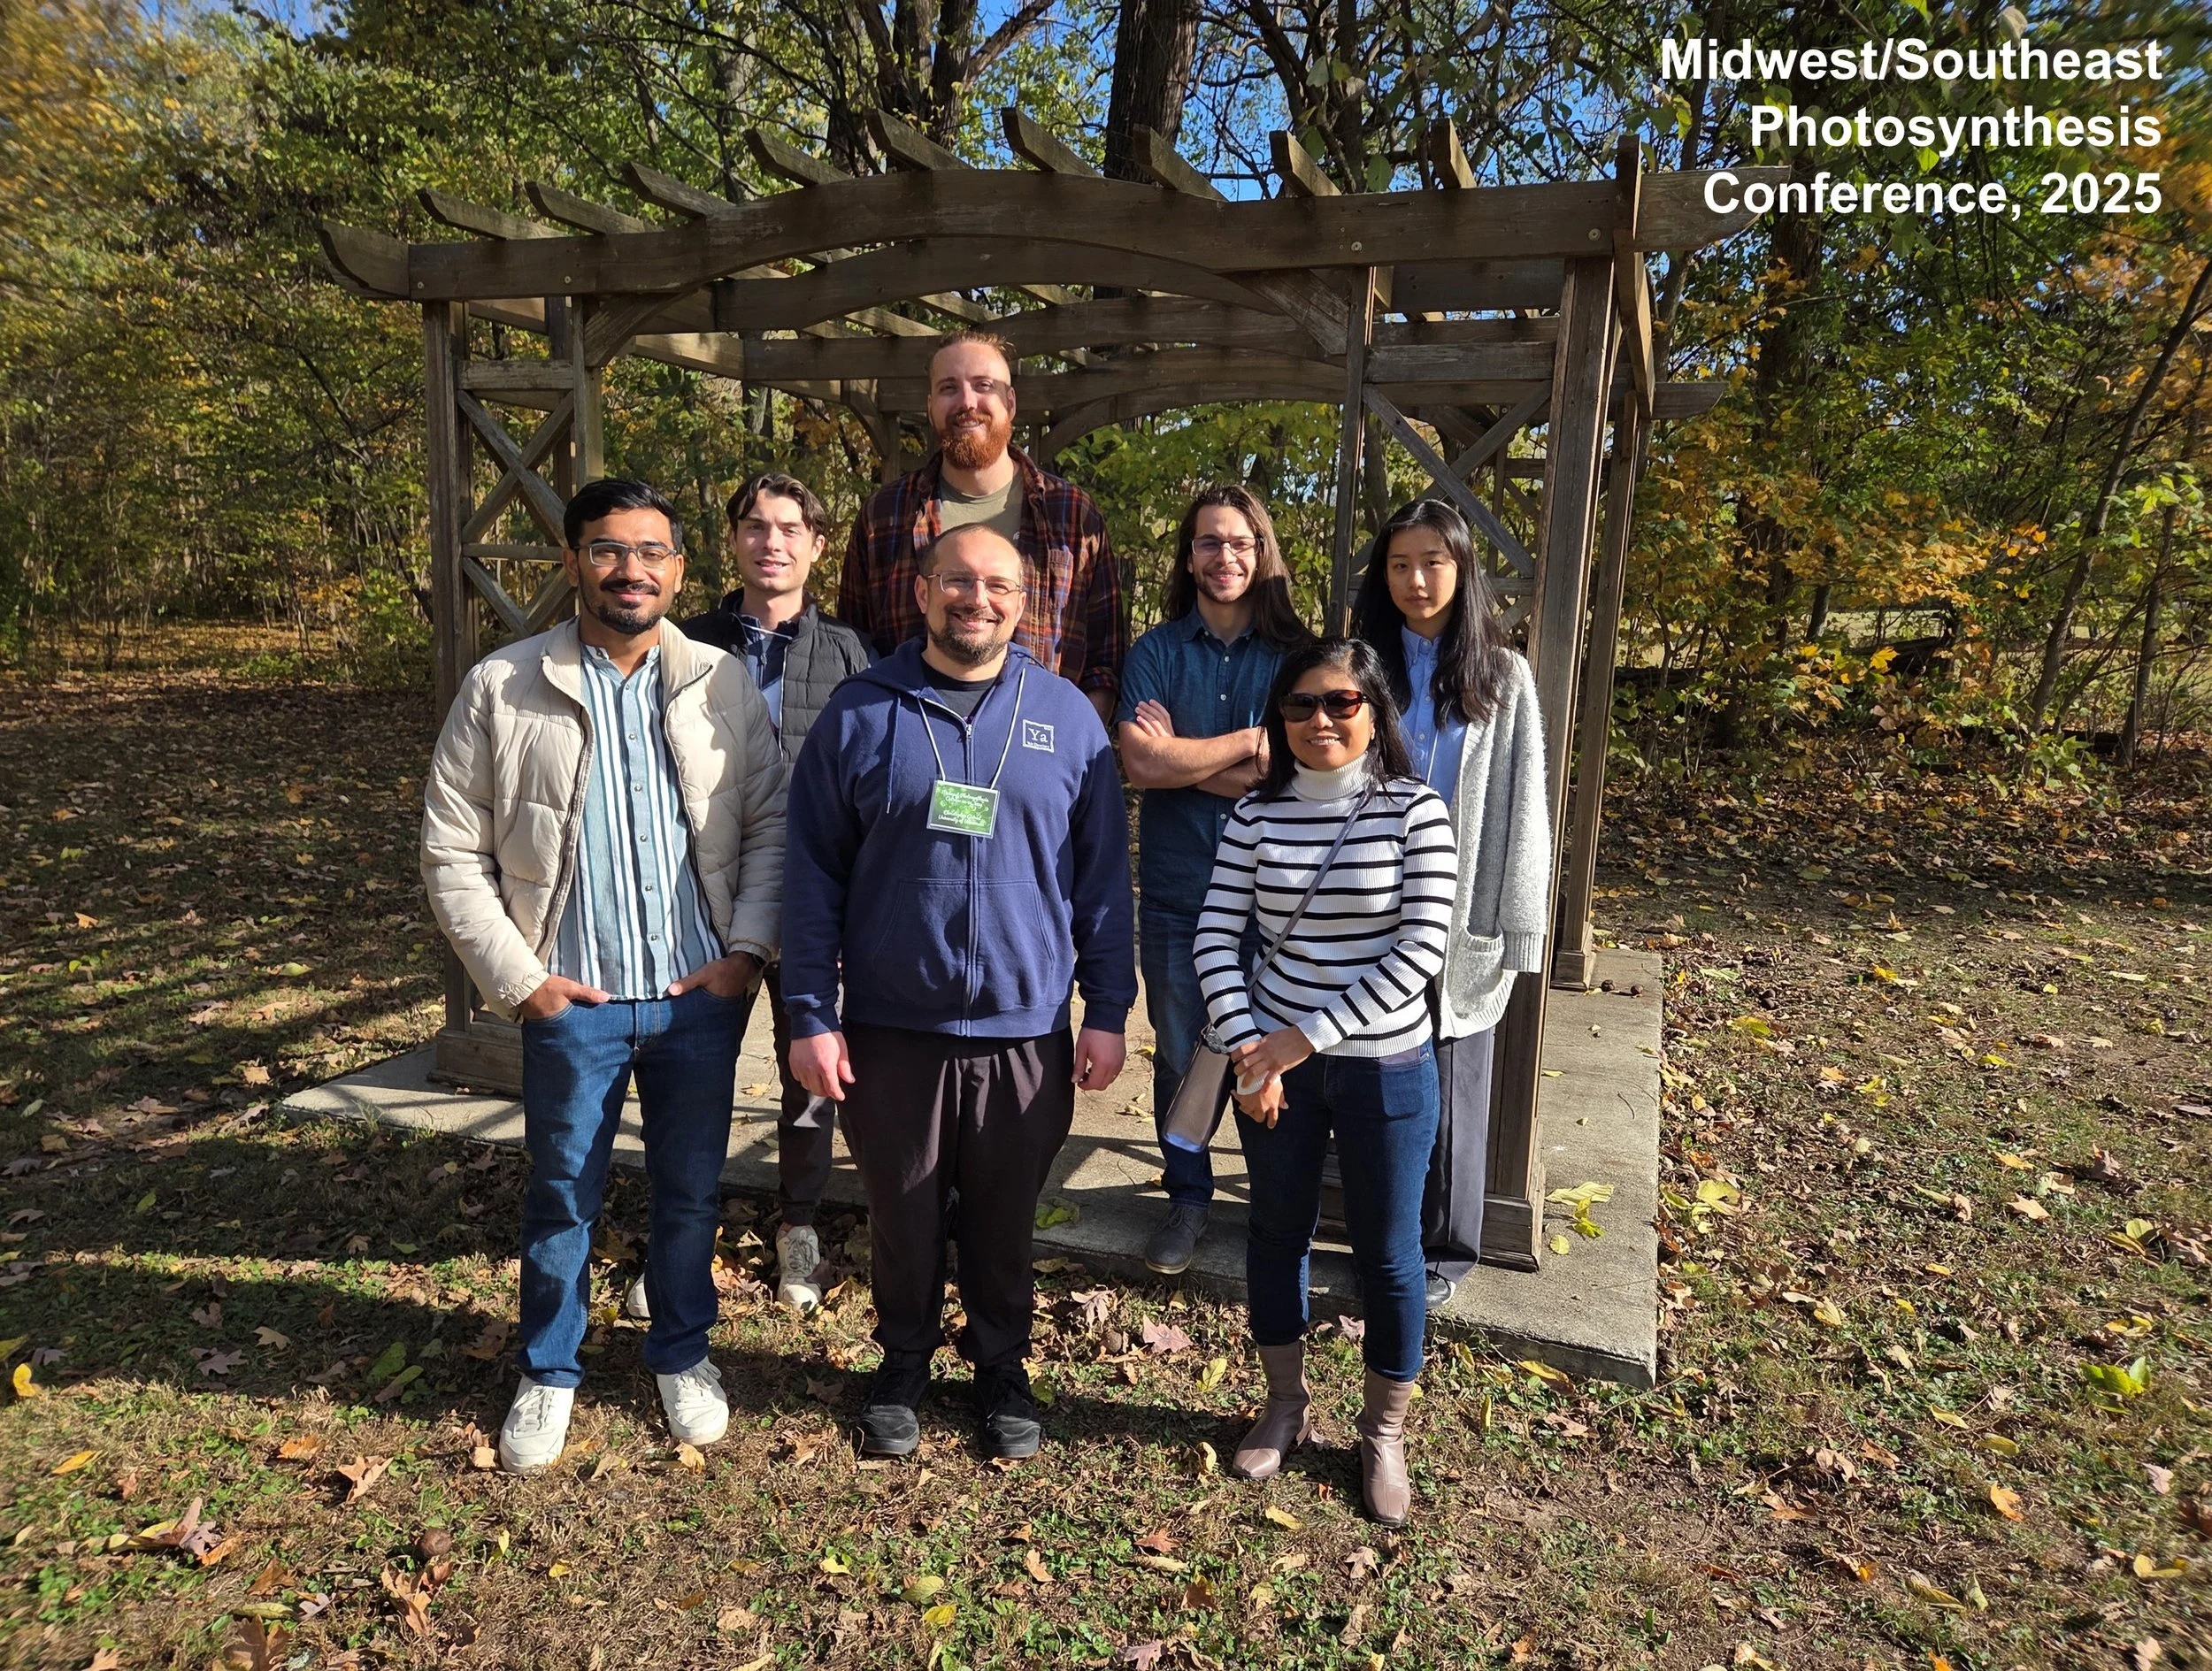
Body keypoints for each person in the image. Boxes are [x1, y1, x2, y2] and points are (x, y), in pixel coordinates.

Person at [421, 477, 786, 1476]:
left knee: (688, 1190)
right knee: (561, 1194)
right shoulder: (504, 685)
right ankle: (547, 1369)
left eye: (652, 551)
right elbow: (451, 849)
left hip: (693, 997)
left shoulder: (721, 680)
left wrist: (746, 951)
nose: (632, 568)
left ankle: (681, 1350)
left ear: (678, 567)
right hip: (570, 999)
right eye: (609, 549)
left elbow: (768, 826)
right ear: (575, 560)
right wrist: (521, 979)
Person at [783, 520, 1136, 1461]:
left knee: (1002, 1213)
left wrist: (1106, 1008)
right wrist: (810, 1013)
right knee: (900, 1209)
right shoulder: (860, 712)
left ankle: (999, 1364)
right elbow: (810, 876)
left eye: (997, 585)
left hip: (1024, 1026)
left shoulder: (1065, 716)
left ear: (1024, 604)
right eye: (956, 580)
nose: (975, 599)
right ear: (921, 589)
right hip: (893, 1024)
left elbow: (1102, 881)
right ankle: (902, 1359)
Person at [1193, 638, 1456, 1528]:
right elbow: (1214, 939)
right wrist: (1249, 1049)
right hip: (1273, 1069)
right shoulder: (1254, 817)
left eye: (1341, 702)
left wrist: (1301, 1039)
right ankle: (1284, 1402)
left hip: (1385, 1065)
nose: (1319, 720)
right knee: (1274, 1232)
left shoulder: (1416, 811)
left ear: (1375, 712)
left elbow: (1420, 947)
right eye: (1300, 704)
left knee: (1388, 1252)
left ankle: (1382, 1432)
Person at [672, 471, 874, 1315]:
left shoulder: (850, 654)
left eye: (791, 527)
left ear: (817, 546)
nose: (772, 542)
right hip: (700, 891)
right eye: (755, 526)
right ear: (734, 541)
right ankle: (683, 1232)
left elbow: (870, 778)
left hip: (807, 896)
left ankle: (799, 1223)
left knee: (811, 1068)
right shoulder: (684, 644)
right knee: (692, 1067)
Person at [1352, 500, 1551, 1307]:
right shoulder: (1364, 666)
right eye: (1400, 564)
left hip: (1460, 909)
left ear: (1462, 568)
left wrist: (1520, 924)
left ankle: (1447, 1248)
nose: (1416, 579)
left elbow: (1524, 804)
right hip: (1371, 902)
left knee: (1454, 1087)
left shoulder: (1502, 674)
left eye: (1432, 561)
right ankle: (1379, 1236)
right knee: (1376, 1082)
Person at [1115, 485, 1309, 1274]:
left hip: (1279, 898)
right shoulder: (1156, 652)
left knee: (1270, 1051)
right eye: (1207, 542)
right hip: (1177, 890)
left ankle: (1272, 1200)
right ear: (1187, 555)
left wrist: (1185, 762)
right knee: (1176, 1053)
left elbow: (1298, 774)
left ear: (1261, 553)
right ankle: (1187, 1196)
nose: (1224, 556)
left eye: (1239, 542)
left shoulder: (1296, 657)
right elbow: (1138, 762)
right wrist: (1246, 745)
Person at [839, 330, 1125, 725]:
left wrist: (1068, 750)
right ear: (930, 406)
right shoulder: (883, 516)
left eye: (983, 386)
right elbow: (854, 652)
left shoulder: (1073, 517)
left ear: (1010, 402)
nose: (967, 402)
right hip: (909, 755)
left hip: (1037, 757)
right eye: (948, 388)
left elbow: (1104, 665)